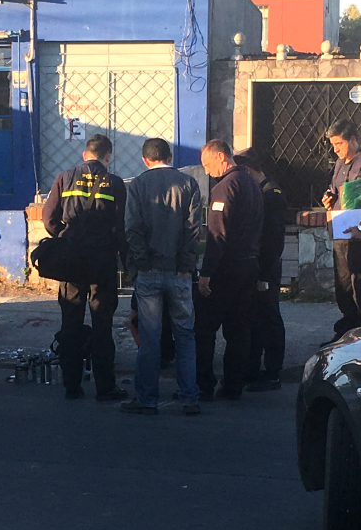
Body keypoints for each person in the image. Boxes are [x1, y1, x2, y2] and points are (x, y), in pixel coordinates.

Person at [42, 134, 128, 402]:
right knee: (102, 324)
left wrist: (64, 238)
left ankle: (72, 385)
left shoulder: (64, 178)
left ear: (84, 155)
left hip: (71, 262)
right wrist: (123, 258)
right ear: (108, 156)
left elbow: (48, 218)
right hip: (102, 261)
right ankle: (105, 387)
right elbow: (121, 226)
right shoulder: (115, 183)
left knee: (71, 323)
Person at [121, 138, 202, 416]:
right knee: (185, 335)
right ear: (170, 155)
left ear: (145, 160)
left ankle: (147, 397)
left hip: (149, 272)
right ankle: (190, 396)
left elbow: (132, 228)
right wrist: (186, 264)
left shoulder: (138, 185)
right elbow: (194, 229)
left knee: (150, 337)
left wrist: (141, 264)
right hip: (178, 272)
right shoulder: (188, 184)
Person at [193, 140, 264, 400]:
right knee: (238, 329)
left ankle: (203, 385)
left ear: (221, 157)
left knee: (205, 329)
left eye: (208, 164)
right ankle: (233, 385)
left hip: (226, 270)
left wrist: (206, 273)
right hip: (249, 265)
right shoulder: (253, 185)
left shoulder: (225, 188)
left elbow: (216, 235)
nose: (207, 171)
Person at [322, 119, 361, 343]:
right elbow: (335, 192)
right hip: (341, 233)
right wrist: (329, 201)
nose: (335, 149)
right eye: (332, 145)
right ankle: (346, 333)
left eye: (339, 143)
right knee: (343, 285)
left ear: (352, 139)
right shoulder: (339, 164)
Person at [234, 147, 287, 392]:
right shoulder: (260, 192)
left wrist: (265, 276)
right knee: (254, 319)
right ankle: (251, 369)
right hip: (256, 266)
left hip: (266, 267)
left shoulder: (271, 195)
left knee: (269, 319)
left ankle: (273, 372)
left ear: (246, 171)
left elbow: (273, 240)